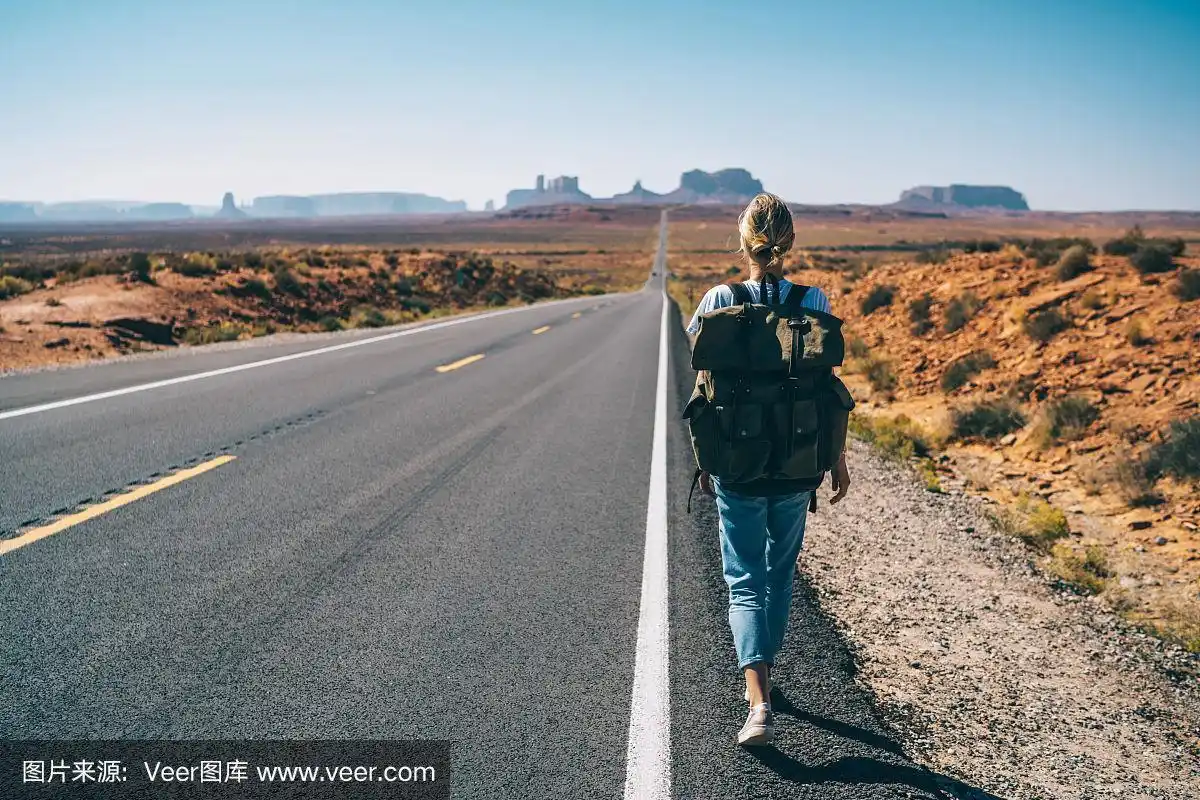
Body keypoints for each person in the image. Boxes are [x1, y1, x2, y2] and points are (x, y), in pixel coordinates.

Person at [686, 192, 852, 747]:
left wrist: (706, 460)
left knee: (744, 580)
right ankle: (767, 680)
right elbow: (829, 393)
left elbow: (703, 387)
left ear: (743, 242)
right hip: (798, 460)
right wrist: (837, 459)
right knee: (779, 574)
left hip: (736, 462)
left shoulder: (717, 299)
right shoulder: (815, 299)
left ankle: (757, 702)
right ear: (791, 242)